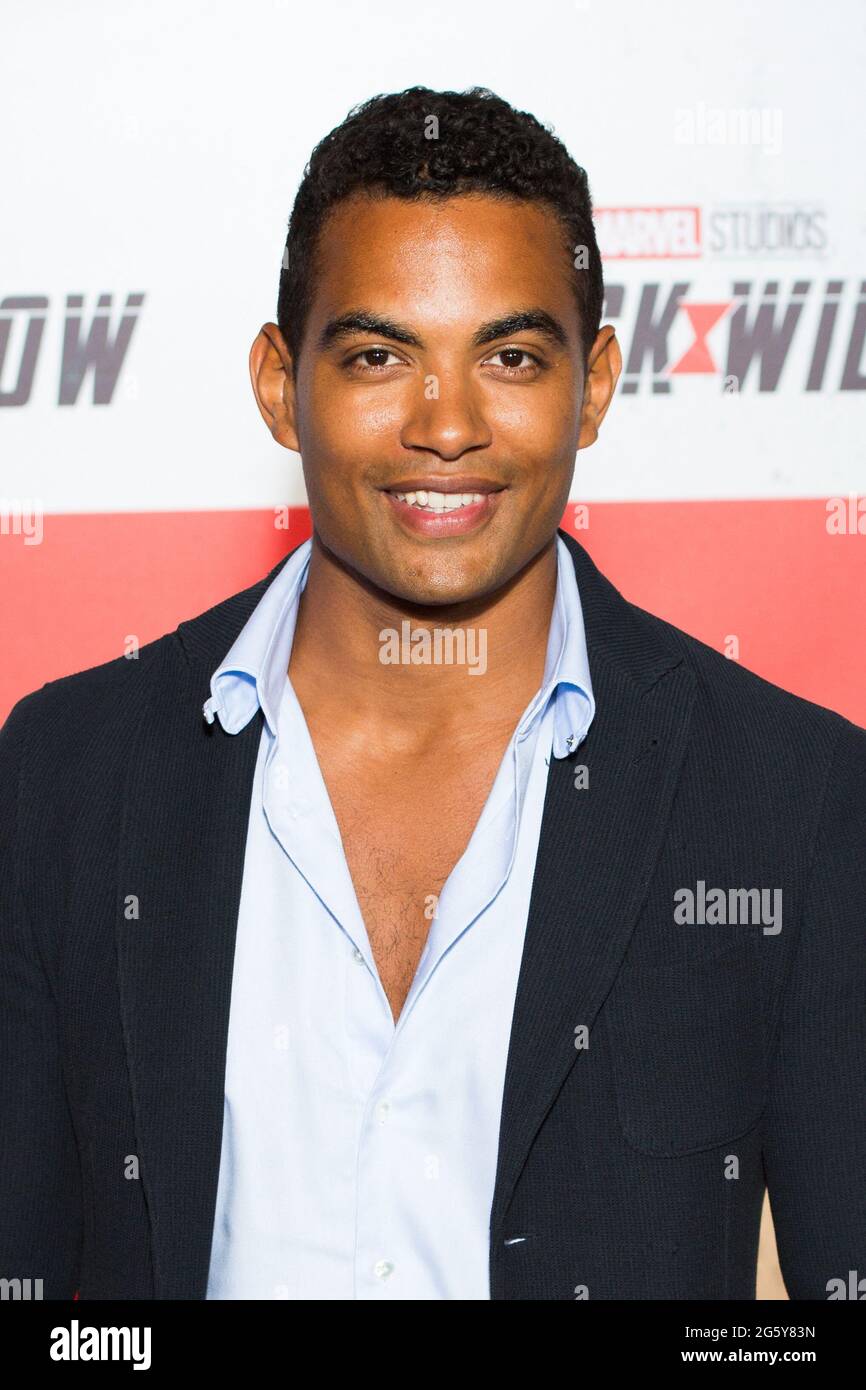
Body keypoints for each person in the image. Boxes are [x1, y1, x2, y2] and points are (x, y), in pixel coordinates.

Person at [1, 86, 864, 1301]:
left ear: (596, 383)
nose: (445, 425)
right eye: (376, 356)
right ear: (274, 382)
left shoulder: (791, 797)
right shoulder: (66, 773)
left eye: (508, 357)